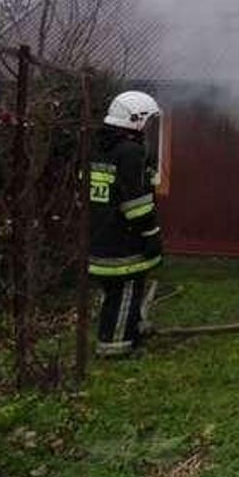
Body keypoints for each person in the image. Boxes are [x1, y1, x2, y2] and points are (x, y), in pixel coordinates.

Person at [87, 90, 163, 358]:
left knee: (112, 295)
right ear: (137, 119)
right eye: (148, 120)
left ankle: (124, 333)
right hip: (124, 239)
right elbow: (136, 203)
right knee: (126, 291)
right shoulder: (129, 152)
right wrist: (152, 232)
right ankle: (115, 349)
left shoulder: (100, 147)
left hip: (99, 234)